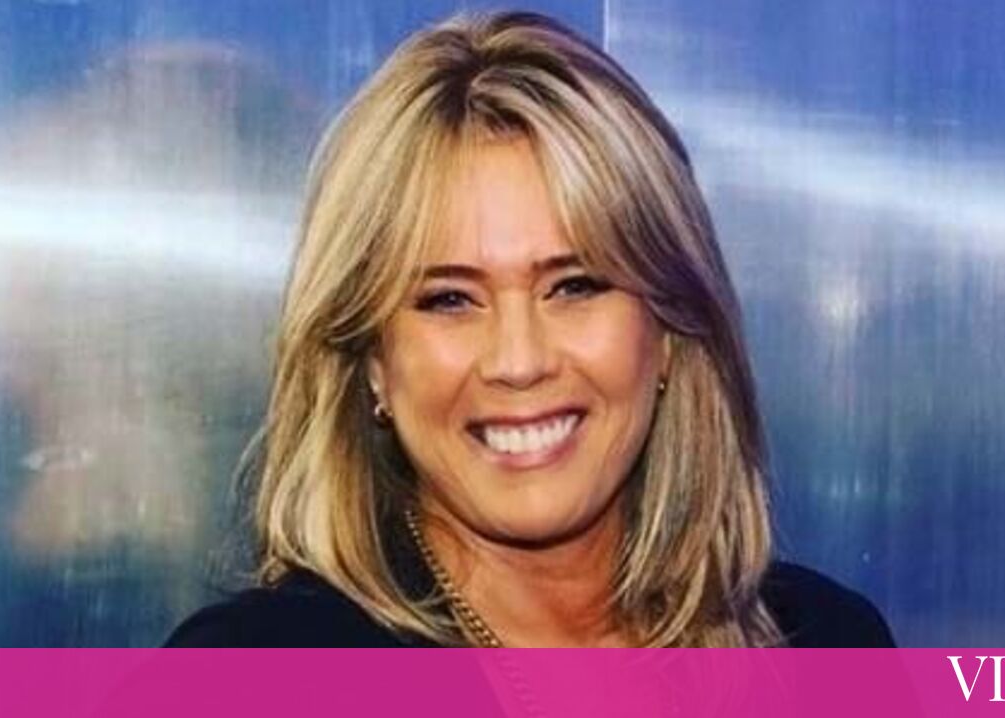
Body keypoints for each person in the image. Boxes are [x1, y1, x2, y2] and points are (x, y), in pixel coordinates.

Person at [167, 11, 893, 648]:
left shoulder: (826, 644)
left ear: (670, 330)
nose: (519, 360)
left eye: (574, 286)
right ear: (374, 363)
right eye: (450, 299)